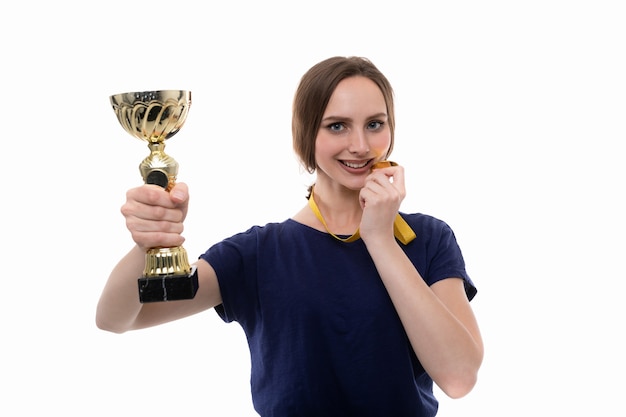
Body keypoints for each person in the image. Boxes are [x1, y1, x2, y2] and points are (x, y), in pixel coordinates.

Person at [96, 56, 483, 416]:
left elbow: (459, 377)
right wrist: (146, 243)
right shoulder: (259, 254)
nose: (360, 145)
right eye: (337, 126)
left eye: (374, 124)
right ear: (305, 136)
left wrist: (380, 238)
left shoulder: (427, 238)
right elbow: (118, 318)